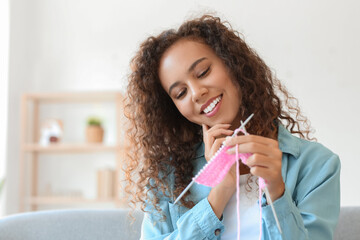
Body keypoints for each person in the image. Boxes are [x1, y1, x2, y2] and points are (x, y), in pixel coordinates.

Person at [124, 15, 340, 240]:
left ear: (233, 64)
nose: (197, 93)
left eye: (203, 72)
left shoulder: (319, 166)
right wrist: (219, 191)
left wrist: (276, 191)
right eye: (181, 93)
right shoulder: (165, 178)